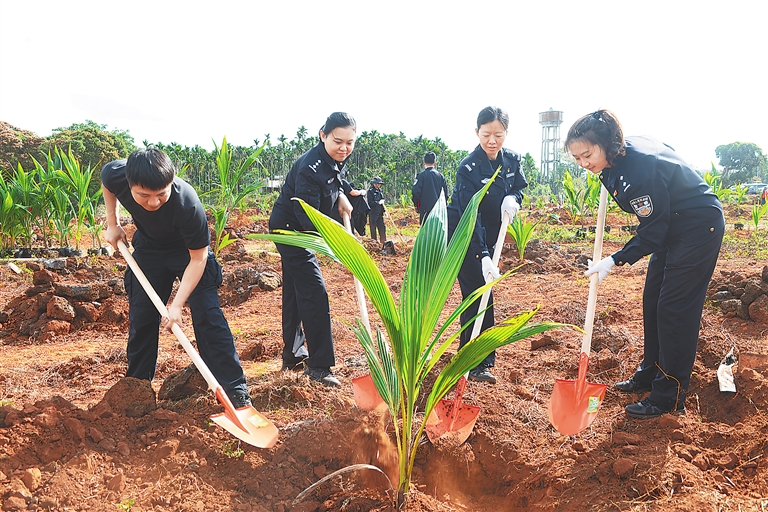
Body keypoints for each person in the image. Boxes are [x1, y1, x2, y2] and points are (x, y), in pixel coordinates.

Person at [565, 109, 725, 419]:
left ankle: (669, 395)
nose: (583, 163)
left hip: (697, 227)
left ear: (608, 144)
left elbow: (651, 233)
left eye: (587, 154)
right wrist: (602, 169)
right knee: (653, 299)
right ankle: (650, 373)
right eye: (577, 158)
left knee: (674, 309)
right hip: (672, 227)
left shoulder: (639, 172)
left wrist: (614, 259)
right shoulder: (614, 160)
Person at [101, 148, 251, 407]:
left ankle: (234, 392)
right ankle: (137, 389)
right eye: (143, 196)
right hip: (149, 248)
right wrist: (112, 223)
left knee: (208, 316)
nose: (153, 202)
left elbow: (198, 259)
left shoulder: (187, 203)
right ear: (129, 183)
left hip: (187, 252)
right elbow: (107, 182)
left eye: (161, 194)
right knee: (142, 316)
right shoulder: (117, 173)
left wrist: (177, 304)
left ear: (171, 182)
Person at [268, 112, 356, 387]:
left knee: (297, 291)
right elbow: (307, 216)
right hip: (291, 231)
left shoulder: (333, 160)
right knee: (315, 292)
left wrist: (342, 195)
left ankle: (293, 355)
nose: (344, 148)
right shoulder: (310, 167)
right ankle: (319, 366)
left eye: (350, 142)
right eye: (337, 141)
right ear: (323, 135)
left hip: (297, 227)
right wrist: (340, 241)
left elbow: (334, 182)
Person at [447, 106, 528, 384]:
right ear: (476, 132)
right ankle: (472, 361)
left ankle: (480, 360)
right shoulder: (468, 168)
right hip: (464, 236)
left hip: (492, 236)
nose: (492, 141)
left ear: (506, 133)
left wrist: (514, 199)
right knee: (476, 295)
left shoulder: (512, 160)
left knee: (486, 294)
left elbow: (519, 187)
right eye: (486, 134)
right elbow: (472, 216)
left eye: (498, 135)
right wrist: (482, 255)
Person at [412, 151, 449, 225]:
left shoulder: (421, 176)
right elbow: (446, 194)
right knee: (436, 232)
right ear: (435, 163)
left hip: (425, 210)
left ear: (424, 162)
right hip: (438, 210)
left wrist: (416, 204)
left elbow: (416, 192)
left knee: (425, 232)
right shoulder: (440, 176)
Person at [367, 176, 387, 245]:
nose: (378, 185)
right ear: (374, 184)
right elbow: (370, 203)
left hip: (380, 213)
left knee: (382, 228)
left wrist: (384, 211)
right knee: (373, 229)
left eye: (379, 184)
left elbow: (382, 201)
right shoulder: (370, 192)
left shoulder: (380, 191)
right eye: (377, 184)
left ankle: (383, 243)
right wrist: (378, 202)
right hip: (373, 213)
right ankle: (374, 244)